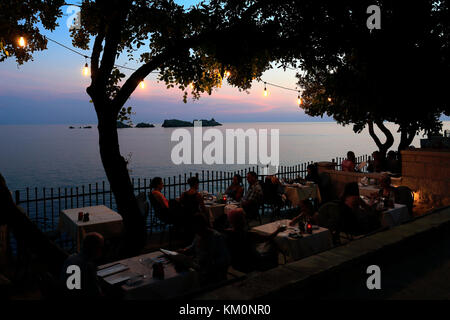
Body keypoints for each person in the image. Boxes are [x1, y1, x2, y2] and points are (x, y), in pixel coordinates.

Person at [177, 214, 230, 285]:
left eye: (196, 228)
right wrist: (184, 250)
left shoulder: (216, 238)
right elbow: (193, 247)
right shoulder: (199, 235)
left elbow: (225, 259)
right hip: (200, 268)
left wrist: (210, 263)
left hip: (213, 273)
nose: (195, 231)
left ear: (202, 225)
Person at [60, 232, 104, 298]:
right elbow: (97, 293)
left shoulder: (71, 257)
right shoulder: (87, 266)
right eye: (101, 247)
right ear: (95, 249)